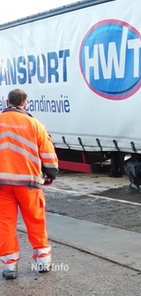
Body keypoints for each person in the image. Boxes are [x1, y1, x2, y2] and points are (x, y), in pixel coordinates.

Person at [0, 89, 58, 280]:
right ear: (25, 104)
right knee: (35, 220)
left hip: (2, 185)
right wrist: (50, 173)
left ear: (7, 102)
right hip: (29, 184)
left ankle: (9, 267)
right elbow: (48, 152)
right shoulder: (35, 124)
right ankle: (43, 262)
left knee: (5, 224)